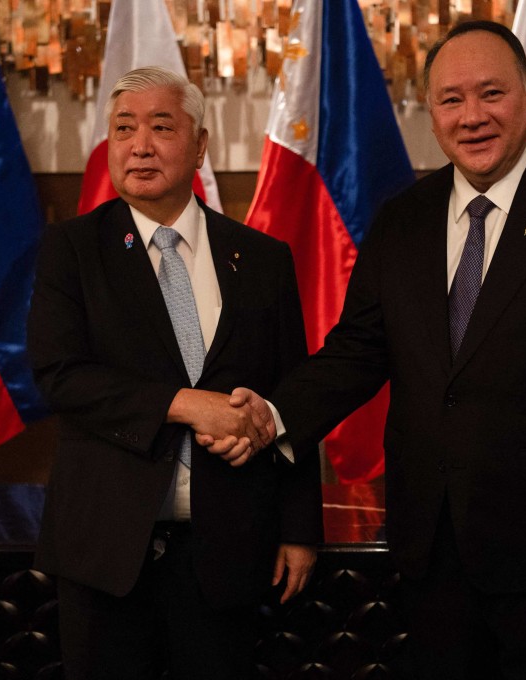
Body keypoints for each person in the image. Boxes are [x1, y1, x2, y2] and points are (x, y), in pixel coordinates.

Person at [207, 20, 526, 678]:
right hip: (430, 541)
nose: (473, 116)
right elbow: (358, 352)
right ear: (431, 111)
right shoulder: (403, 218)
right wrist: (271, 414)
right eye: (452, 99)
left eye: (492, 93)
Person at [27, 66, 323, 680]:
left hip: (227, 550)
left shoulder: (263, 259)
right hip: (106, 550)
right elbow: (60, 375)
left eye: (161, 127)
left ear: (199, 145)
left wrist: (301, 529)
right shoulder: (74, 249)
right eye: (124, 128)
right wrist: (186, 404)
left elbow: (293, 396)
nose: (140, 144)